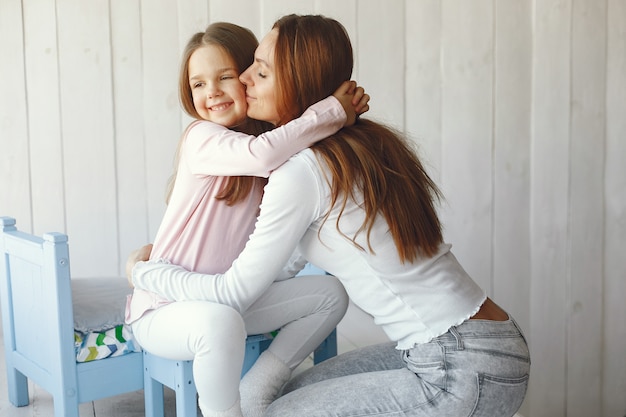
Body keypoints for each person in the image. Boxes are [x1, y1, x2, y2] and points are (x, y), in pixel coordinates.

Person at [128, 14, 530, 417]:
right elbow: (281, 264)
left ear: (296, 85)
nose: (246, 78)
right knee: (272, 396)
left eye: (261, 71)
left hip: (460, 364)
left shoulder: (302, 171)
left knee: (272, 411)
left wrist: (144, 273)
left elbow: (235, 292)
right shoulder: (350, 146)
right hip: (472, 347)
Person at [125, 22, 368, 417]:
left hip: (227, 297)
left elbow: (279, 238)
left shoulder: (276, 150)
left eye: (223, 77)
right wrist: (332, 111)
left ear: (248, 78)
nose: (212, 92)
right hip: (166, 307)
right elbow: (262, 154)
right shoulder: (202, 138)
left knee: (330, 295)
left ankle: (260, 388)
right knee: (219, 322)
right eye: (198, 84)